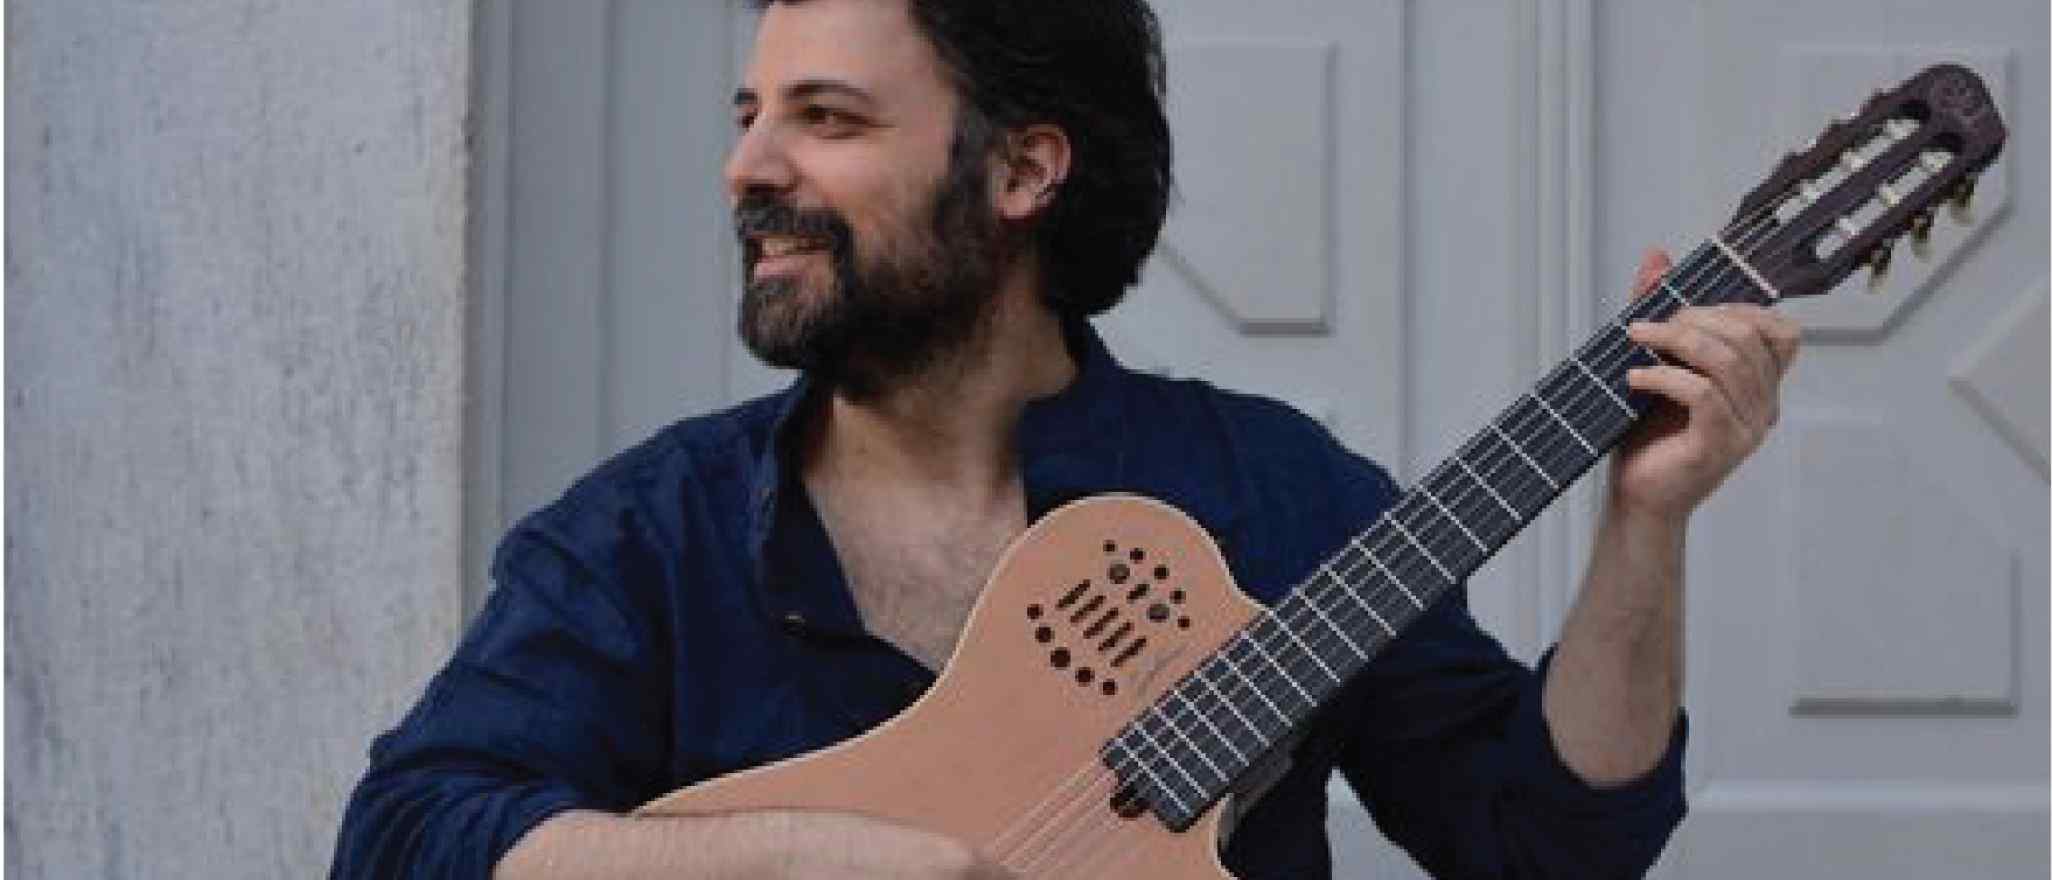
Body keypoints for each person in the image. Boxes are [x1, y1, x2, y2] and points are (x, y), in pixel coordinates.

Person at [331, 0, 1801, 877]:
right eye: (749, 113)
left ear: (1025, 168)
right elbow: (407, 836)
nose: (747, 166)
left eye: (826, 118)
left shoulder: (1270, 495)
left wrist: (1646, 523)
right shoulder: (647, 536)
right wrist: (794, 856)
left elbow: (1545, 847)